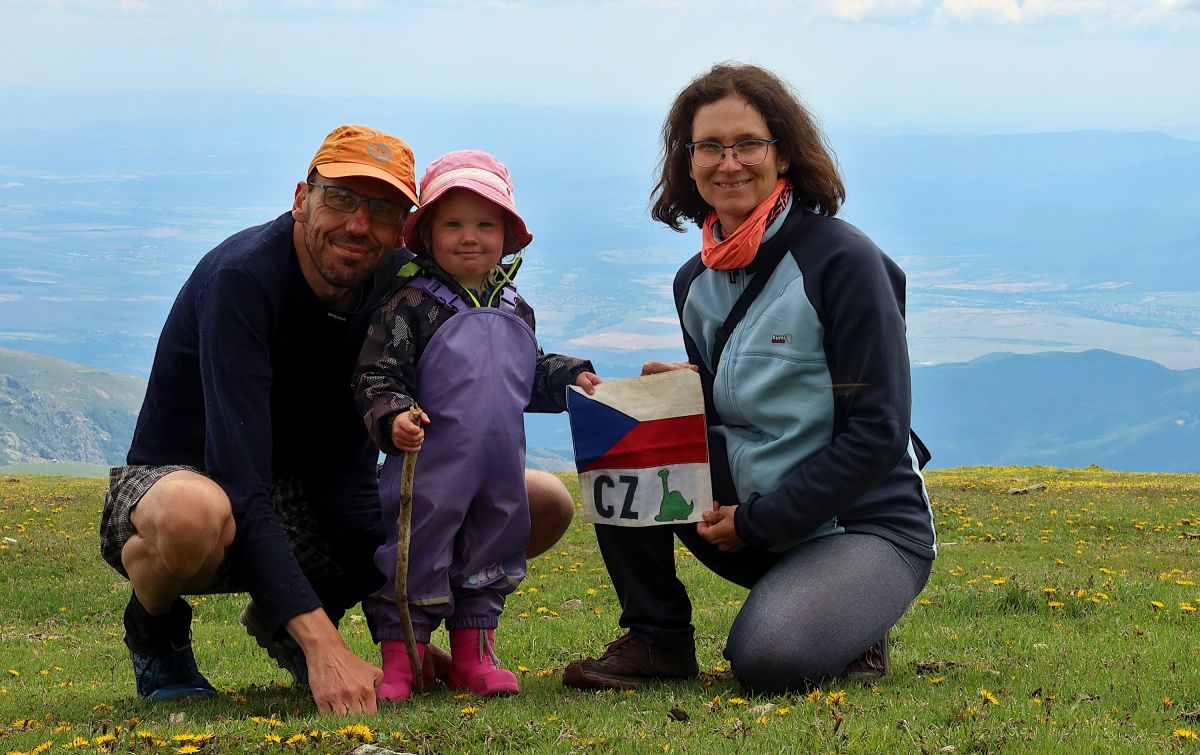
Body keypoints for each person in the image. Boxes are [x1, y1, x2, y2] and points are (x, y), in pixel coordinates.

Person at [99, 126, 578, 716]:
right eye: (341, 199)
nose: (358, 225)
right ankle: (157, 630)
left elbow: (365, 467)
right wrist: (325, 646)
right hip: (194, 480)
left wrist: (403, 635)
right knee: (193, 515)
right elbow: (240, 477)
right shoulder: (243, 279)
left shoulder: (400, 283)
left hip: (311, 491)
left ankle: (295, 621)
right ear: (302, 199)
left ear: (405, 225)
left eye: (381, 209)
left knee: (541, 499)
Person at [562, 63, 936, 694]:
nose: (727, 162)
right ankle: (658, 638)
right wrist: (679, 397)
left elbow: (878, 431)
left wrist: (759, 523)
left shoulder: (844, 262)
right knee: (624, 433)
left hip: (859, 524)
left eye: (748, 144)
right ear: (688, 162)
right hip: (753, 513)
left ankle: (854, 617)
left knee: (768, 662)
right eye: (709, 146)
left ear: (782, 152)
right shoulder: (695, 282)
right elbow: (746, 407)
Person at [354, 150, 599, 701]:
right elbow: (376, 373)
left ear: (508, 234)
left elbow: (528, 372)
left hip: (499, 469)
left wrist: (572, 376)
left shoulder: (516, 307)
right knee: (413, 551)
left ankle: (474, 657)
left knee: (492, 548)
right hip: (427, 469)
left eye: (486, 223)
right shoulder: (410, 304)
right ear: (428, 234)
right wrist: (394, 416)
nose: (470, 237)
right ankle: (403, 662)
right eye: (454, 224)